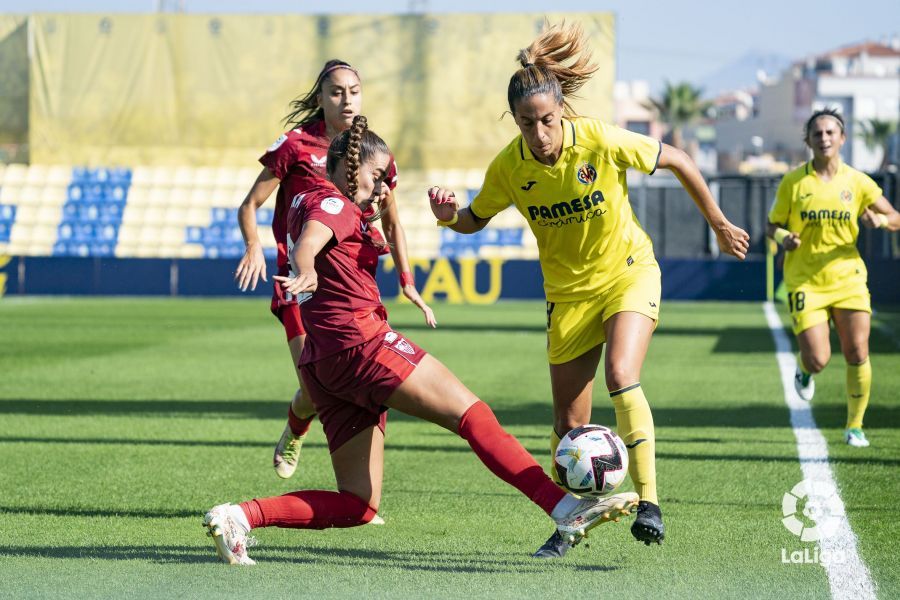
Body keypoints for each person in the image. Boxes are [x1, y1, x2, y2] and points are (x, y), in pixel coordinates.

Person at [203, 115, 640, 565]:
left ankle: (240, 516)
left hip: (323, 364)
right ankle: (565, 508)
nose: (382, 188)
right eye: (377, 176)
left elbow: (322, 232)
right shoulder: (333, 204)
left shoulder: (307, 197)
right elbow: (309, 244)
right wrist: (308, 267)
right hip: (362, 346)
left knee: (358, 504)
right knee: (473, 416)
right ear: (350, 168)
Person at [427, 22, 750, 558]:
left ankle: (649, 503)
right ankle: (569, 522)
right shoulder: (509, 167)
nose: (539, 133)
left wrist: (717, 222)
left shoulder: (597, 139)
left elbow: (677, 158)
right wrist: (447, 216)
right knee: (568, 425)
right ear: (514, 120)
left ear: (562, 112)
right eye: (527, 123)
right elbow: (474, 219)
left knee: (622, 374)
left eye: (547, 120)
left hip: (628, 272)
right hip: (568, 297)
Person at [233, 60, 435, 480]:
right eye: (337, 92)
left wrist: (407, 281)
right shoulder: (295, 145)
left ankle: (355, 484)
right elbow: (250, 204)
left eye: (354, 91)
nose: (347, 100)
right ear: (321, 98)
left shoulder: (373, 152)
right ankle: (298, 430)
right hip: (300, 282)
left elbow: (392, 222)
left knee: (344, 383)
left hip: (350, 284)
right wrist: (253, 245)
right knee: (315, 384)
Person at [767, 108, 900, 448]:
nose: (824, 138)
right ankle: (805, 369)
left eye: (830, 132)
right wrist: (784, 238)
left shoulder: (858, 181)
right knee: (818, 358)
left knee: (857, 350)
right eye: (817, 133)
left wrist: (881, 221)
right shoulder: (794, 182)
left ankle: (855, 426)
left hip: (848, 278)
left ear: (842, 138)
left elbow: (895, 217)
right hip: (805, 280)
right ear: (808, 141)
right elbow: (771, 225)